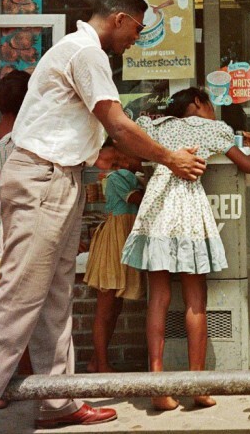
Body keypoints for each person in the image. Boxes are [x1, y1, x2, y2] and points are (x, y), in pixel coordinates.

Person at [0, 0, 207, 428]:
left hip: (56, 177)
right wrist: (172, 157)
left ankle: (57, 401)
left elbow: (99, 134)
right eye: (138, 30)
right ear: (119, 19)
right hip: (44, 178)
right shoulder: (86, 53)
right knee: (18, 298)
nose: (136, 40)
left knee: (54, 297)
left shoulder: (77, 51)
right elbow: (118, 124)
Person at [121, 86, 250, 412]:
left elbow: (131, 139)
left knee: (158, 297)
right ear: (198, 103)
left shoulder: (158, 127)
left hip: (156, 210)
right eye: (211, 104)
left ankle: (158, 385)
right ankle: (197, 386)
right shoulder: (215, 129)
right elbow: (247, 165)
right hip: (186, 210)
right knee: (195, 300)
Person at [0, 70, 34, 409]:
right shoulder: (27, 139)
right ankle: (8, 383)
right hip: (19, 221)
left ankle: (12, 381)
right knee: (23, 305)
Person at [84, 139, 146, 373]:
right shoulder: (117, 177)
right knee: (106, 307)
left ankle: (95, 361)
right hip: (113, 244)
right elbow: (137, 200)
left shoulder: (130, 176)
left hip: (124, 241)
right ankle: (101, 364)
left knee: (114, 308)